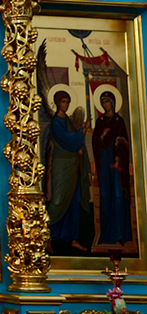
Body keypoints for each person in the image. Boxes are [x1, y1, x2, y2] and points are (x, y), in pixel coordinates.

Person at [44, 90, 91, 251]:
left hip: (73, 165)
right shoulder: (55, 122)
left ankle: (73, 238)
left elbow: (76, 143)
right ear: (58, 103)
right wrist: (82, 131)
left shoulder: (68, 121)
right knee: (58, 200)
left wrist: (80, 150)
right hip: (62, 165)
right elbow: (65, 139)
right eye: (63, 102)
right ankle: (47, 236)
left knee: (74, 201)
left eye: (68, 102)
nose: (66, 105)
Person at [92, 90, 131, 244]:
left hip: (116, 163)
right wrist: (102, 135)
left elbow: (124, 143)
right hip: (104, 161)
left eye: (107, 101)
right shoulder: (100, 121)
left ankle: (120, 234)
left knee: (118, 195)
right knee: (105, 196)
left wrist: (118, 159)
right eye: (103, 102)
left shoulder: (119, 121)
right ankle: (106, 235)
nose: (105, 104)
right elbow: (95, 141)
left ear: (113, 103)